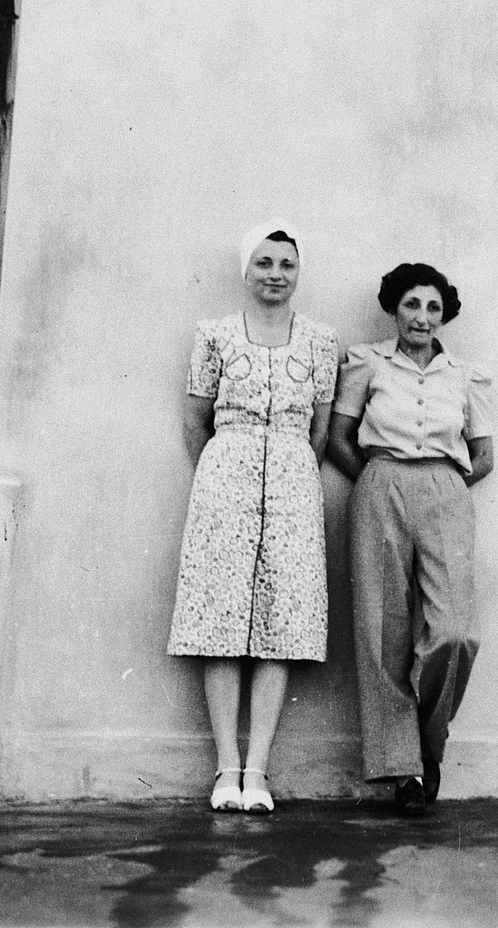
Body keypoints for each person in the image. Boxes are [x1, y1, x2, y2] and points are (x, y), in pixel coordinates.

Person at [168, 220, 338, 814]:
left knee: (279, 624)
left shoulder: (321, 341)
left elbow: (320, 427)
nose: (275, 275)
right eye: (264, 264)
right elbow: (195, 418)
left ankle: (258, 771)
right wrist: (225, 470)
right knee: (221, 620)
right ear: (247, 271)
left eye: (286, 265)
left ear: (299, 271)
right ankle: (225, 770)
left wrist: (289, 468)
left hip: (293, 478)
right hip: (225, 478)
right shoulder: (213, 334)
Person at [328, 263, 493, 817]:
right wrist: (382, 480)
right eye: (410, 305)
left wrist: (439, 487)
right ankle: (404, 771)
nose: (421, 317)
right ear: (394, 309)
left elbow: (484, 455)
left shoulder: (467, 375)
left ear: (444, 314)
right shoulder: (366, 362)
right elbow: (338, 439)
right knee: (383, 631)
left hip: (447, 488)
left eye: (431, 307)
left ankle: (429, 744)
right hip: (379, 483)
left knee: (454, 632)